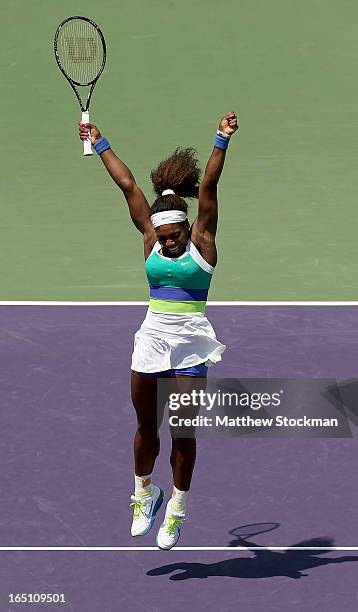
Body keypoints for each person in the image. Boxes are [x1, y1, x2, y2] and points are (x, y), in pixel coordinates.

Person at [79, 111, 238, 549]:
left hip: (190, 346)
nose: (168, 241)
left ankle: (177, 511)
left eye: (174, 235)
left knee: (183, 432)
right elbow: (129, 185)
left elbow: (208, 187)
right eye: (163, 235)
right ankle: (144, 495)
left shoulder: (203, 242)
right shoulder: (149, 237)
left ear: (190, 228)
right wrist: (100, 141)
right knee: (146, 426)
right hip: (151, 341)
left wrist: (221, 140)